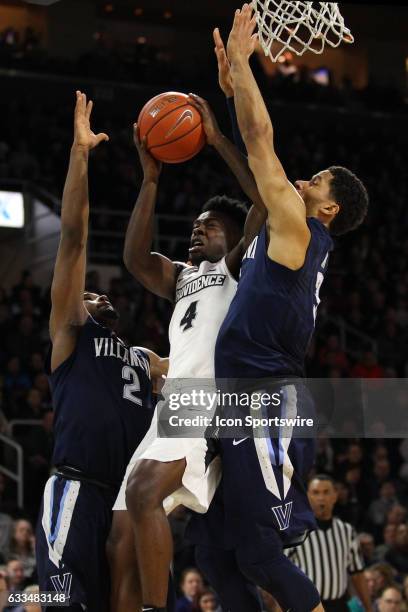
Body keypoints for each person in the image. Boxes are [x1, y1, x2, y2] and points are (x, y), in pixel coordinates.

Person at [190, 5, 369, 612]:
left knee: (261, 555)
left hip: (267, 398)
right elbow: (252, 148)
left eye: (315, 180)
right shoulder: (287, 226)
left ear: (329, 210)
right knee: (215, 551)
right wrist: (236, 86)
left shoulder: (300, 229)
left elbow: (263, 147)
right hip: (243, 394)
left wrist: (245, 65)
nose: (303, 182)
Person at [111, 88, 267, 611]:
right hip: (170, 404)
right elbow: (134, 259)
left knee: (145, 491)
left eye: (209, 226)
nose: (196, 230)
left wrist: (218, 138)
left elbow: (264, 204)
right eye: (194, 225)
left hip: (207, 401)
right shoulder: (181, 278)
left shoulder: (237, 269)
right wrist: (150, 178)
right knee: (121, 539)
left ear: (231, 237)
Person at [35, 91, 167, 612]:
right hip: (77, 487)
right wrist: (80, 155)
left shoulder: (148, 359)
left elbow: (201, 367)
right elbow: (72, 239)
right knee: (63, 601)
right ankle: (21, 593)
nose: (97, 294)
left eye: (100, 292)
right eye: (88, 292)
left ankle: (21, 590)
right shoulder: (72, 330)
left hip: (126, 504)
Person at [286, 475, 371, 611]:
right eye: (316, 492)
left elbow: (357, 574)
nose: (321, 497)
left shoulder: (347, 531)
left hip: (338, 605)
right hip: (307, 606)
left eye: (326, 492)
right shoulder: (296, 530)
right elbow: (282, 575)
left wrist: (368, 608)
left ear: (335, 496)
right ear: (307, 496)